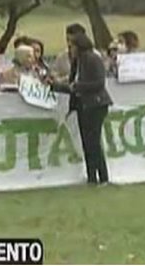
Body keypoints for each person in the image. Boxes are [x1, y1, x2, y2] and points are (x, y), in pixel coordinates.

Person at [49, 32, 112, 186]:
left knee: (94, 142)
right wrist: (54, 86)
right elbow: (71, 86)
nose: (70, 49)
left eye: (72, 46)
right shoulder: (77, 62)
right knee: (86, 142)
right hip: (82, 105)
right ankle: (91, 177)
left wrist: (78, 87)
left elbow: (98, 83)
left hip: (96, 104)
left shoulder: (93, 59)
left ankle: (103, 177)